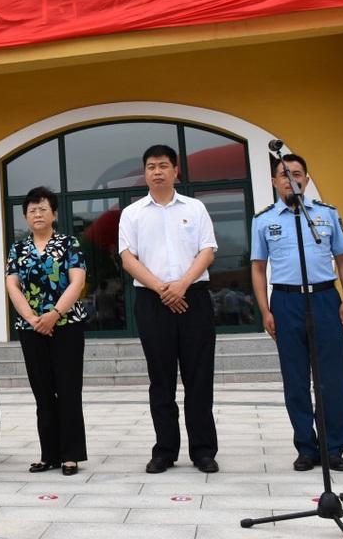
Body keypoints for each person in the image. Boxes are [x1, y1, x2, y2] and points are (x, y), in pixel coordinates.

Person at [118, 145, 220, 474]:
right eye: (151, 166)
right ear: (144, 173)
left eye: (163, 165)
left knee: (199, 378)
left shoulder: (195, 207)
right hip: (152, 300)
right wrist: (163, 288)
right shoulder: (132, 213)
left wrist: (181, 285)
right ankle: (165, 450)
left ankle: (203, 450)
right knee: (160, 379)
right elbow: (127, 258)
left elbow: (207, 251)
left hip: (194, 297)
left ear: (177, 171)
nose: (157, 171)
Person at [250, 153, 343, 472]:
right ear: (273, 182)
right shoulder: (264, 220)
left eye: (296, 173)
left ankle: (335, 446)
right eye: (283, 174)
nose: (290, 179)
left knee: (332, 379)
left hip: (324, 298)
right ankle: (306, 446)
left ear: (306, 179)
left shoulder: (326, 215)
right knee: (295, 379)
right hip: (286, 302)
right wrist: (265, 309)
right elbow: (258, 268)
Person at [4, 186, 88, 476]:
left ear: (54, 214)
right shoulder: (17, 248)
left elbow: (77, 282)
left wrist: (53, 314)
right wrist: (31, 318)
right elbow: (12, 285)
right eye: (31, 210)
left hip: (67, 325)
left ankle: (70, 455)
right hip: (31, 329)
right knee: (42, 393)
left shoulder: (69, 244)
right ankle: (48, 454)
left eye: (43, 209)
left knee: (67, 391)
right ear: (26, 216)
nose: (37, 214)